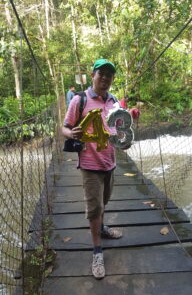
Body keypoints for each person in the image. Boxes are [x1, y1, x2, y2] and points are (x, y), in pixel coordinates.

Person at [62, 59, 122, 280]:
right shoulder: (80, 100)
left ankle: (102, 228)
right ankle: (97, 251)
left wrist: (128, 127)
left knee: (104, 201)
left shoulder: (114, 101)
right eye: (101, 73)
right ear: (93, 75)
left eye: (109, 75)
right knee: (95, 207)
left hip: (110, 162)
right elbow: (64, 127)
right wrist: (71, 133)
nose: (105, 78)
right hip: (89, 164)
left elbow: (119, 128)